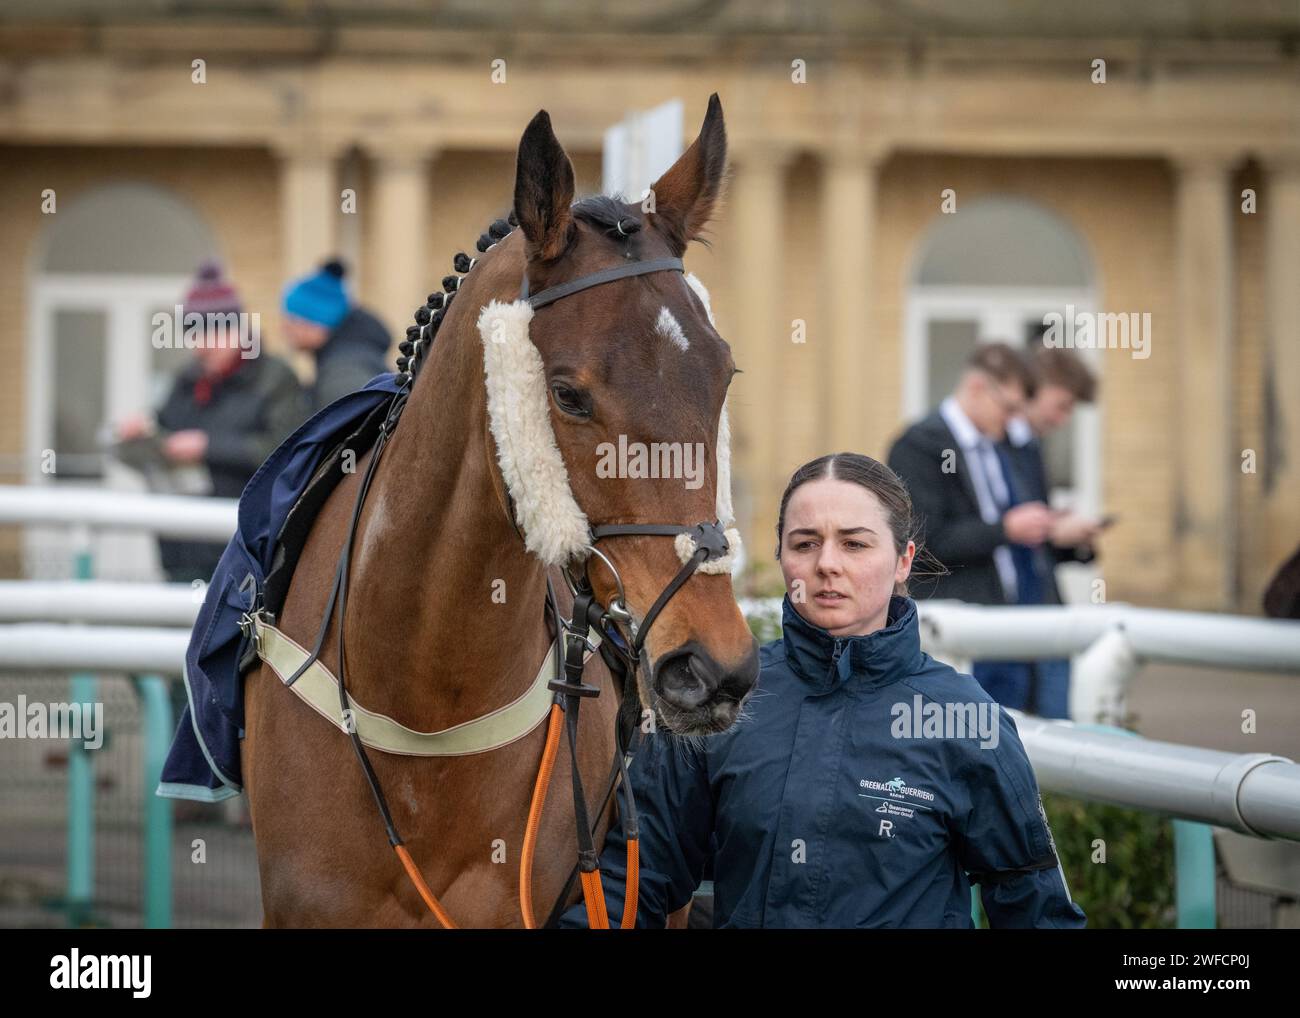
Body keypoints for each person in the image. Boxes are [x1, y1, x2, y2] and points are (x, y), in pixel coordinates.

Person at [559, 453, 1085, 929]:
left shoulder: (963, 719)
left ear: (903, 560)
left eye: (854, 543)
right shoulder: (723, 697)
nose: (826, 564)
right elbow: (636, 882)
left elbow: (1036, 909)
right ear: (782, 558)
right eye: (805, 543)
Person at [888, 343, 1074, 712]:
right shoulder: (919, 444)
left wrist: (1052, 529)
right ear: (976, 387)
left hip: (1010, 623)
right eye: (1008, 409)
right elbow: (923, 541)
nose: (1012, 421)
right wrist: (1005, 530)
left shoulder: (1000, 445)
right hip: (956, 627)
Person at [116, 260, 307, 583]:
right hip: (180, 546)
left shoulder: (277, 379)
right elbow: (165, 430)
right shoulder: (187, 381)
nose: (203, 345)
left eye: (213, 332)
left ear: (240, 330)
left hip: (246, 550)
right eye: (195, 334)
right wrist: (142, 431)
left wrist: (207, 447)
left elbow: (287, 453)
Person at [999, 344, 1104, 717]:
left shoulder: (1030, 448)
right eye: (1061, 405)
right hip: (1010, 615)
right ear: (1032, 388)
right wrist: (1049, 529)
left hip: (1041, 608)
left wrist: (1066, 534)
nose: (1062, 419)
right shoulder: (994, 446)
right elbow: (998, 531)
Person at [281, 258, 391, 411]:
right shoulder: (344, 360)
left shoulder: (342, 376)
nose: (284, 327)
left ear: (319, 323)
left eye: (293, 319)